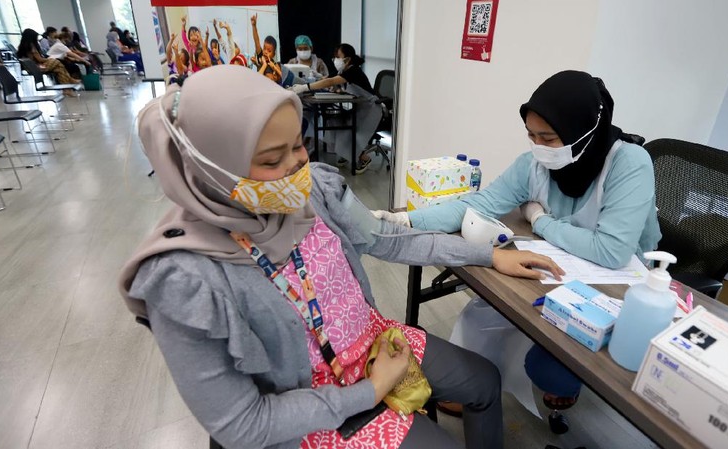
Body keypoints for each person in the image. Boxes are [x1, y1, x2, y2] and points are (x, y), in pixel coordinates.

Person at [120, 65, 564, 449]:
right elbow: (243, 424)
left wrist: (487, 255)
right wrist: (371, 391)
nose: (297, 166)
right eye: (273, 159)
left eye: (299, 144)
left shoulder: (312, 190)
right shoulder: (183, 280)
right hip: (306, 406)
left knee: (484, 379)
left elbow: (388, 238)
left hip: (369, 344)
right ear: (213, 168)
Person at [373, 70, 661, 429]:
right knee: (483, 314)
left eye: (548, 138)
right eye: (531, 135)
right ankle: (474, 388)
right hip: (560, 264)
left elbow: (611, 251)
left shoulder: (629, 163)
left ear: (583, 130)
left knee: (554, 364)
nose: (538, 146)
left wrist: (539, 220)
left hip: (618, 284)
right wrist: (405, 220)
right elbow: (478, 205)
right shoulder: (534, 164)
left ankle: (560, 382)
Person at [290, 43, 377, 173]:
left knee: (348, 128)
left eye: (338, 56)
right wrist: (319, 77)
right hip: (360, 107)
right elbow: (330, 79)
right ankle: (347, 154)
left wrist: (305, 87)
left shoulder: (353, 71)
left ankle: (364, 158)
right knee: (336, 122)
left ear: (347, 59)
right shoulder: (345, 70)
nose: (336, 59)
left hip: (371, 109)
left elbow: (329, 82)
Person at [16, 28, 80, 92]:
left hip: (31, 68)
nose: (37, 39)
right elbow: (40, 60)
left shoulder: (22, 46)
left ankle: (67, 89)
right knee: (57, 62)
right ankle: (68, 84)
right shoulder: (32, 47)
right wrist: (50, 59)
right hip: (37, 68)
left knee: (58, 68)